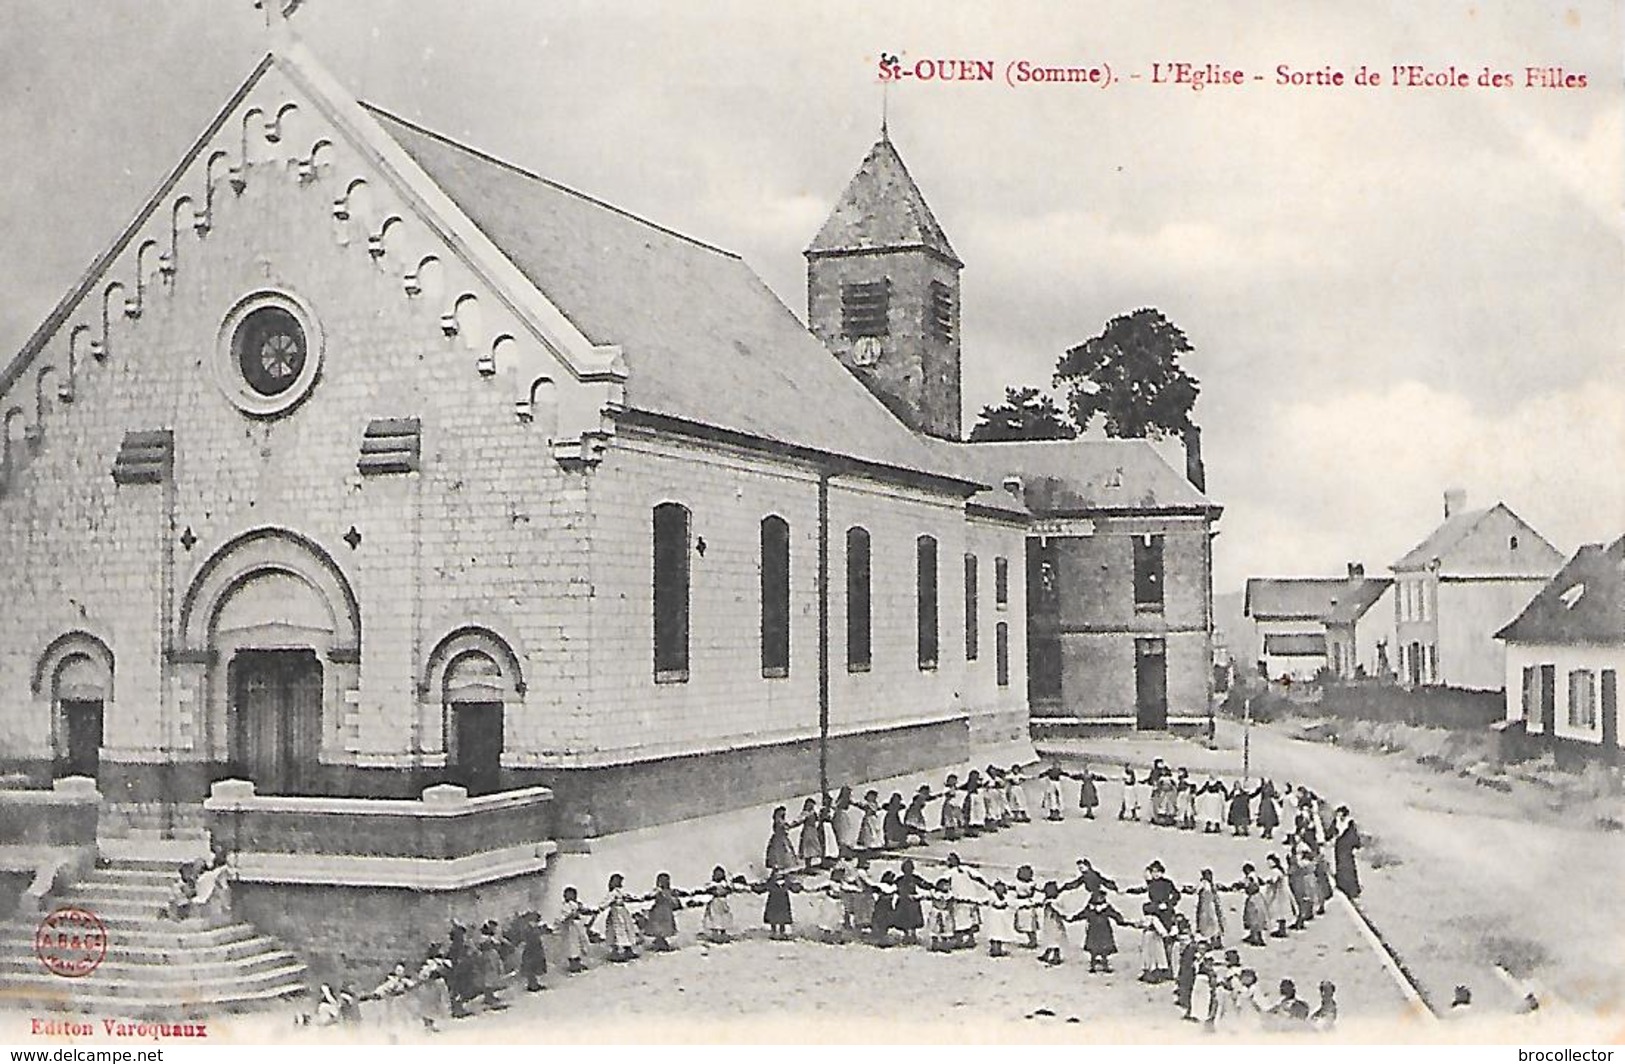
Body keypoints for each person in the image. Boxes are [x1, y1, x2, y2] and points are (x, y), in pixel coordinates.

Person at [1073, 889, 1128, 973]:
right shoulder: (1091, 908)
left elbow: (1114, 914)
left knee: (1104, 949)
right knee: (1093, 949)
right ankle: (1093, 964)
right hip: (1095, 930)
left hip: (1103, 930)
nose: (1101, 898)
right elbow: (1082, 914)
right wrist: (1074, 918)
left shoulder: (1105, 907)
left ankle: (1104, 964)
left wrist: (1120, 920)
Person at [892, 858, 928, 945]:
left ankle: (913, 935)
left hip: (912, 901)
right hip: (903, 901)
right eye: (906, 868)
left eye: (910, 868)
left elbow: (925, 884)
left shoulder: (915, 878)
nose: (908, 871)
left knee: (914, 918)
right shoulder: (899, 879)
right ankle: (906, 935)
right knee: (904, 919)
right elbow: (894, 888)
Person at [643, 872, 682, 952]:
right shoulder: (657, 891)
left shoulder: (670, 892)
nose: (663, 882)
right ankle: (659, 941)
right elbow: (650, 896)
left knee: (666, 927)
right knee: (656, 926)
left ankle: (662, 941)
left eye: (665, 880)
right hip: (657, 911)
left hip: (666, 911)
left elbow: (674, 902)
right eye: (661, 881)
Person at [556, 888, 592, 972]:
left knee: (580, 943)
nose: (571, 896)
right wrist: (570, 915)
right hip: (570, 928)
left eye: (572, 894)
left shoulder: (578, 904)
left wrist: (588, 911)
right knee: (572, 946)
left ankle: (578, 962)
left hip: (578, 927)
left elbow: (583, 910)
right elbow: (562, 918)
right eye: (568, 895)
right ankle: (573, 964)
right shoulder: (565, 907)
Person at [1138, 902, 1176, 983]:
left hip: (1146, 936)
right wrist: (1165, 935)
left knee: (1147, 954)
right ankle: (1155, 974)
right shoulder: (1154, 918)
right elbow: (1160, 928)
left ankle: (1148, 972)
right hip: (1154, 936)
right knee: (1156, 954)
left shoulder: (1144, 918)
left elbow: (1138, 924)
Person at [1035, 881, 1071, 966]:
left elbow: (1060, 911)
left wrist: (1064, 916)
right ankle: (1047, 954)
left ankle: (1056, 957)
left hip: (1055, 924)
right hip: (1049, 924)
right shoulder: (1049, 901)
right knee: (1050, 939)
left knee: (1055, 941)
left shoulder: (1054, 902)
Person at [1332, 806, 1362, 898]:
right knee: (1340, 866)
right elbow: (1331, 831)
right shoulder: (1336, 821)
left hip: (1347, 849)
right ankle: (1342, 885)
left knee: (1348, 868)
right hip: (1339, 847)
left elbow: (1353, 836)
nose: (1339, 816)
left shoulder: (1350, 823)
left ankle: (1352, 890)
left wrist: (1355, 845)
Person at [701, 866, 737, 943]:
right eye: (716, 874)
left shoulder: (725, 884)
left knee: (724, 919)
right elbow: (709, 891)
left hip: (723, 904)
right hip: (714, 904)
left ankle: (723, 933)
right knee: (714, 919)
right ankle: (715, 935)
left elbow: (729, 890)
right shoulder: (712, 885)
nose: (718, 876)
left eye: (720, 874)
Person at [515, 911, 548, 992]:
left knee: (535, 965)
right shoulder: (527, 927)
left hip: (535, 948)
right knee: (531, 966)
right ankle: (532, 984)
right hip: (531, 948)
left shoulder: (531, 927)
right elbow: (531, 936)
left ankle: (534, 983)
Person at [1262, 853, 1293, 938]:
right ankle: (1281, 929)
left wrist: (1266, 881)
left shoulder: (1275, 871)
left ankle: (1281, 931)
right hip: (1281, 892)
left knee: (1279, 911)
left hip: (1279, 894)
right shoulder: (1279, 870)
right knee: (1281, 911)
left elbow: (1273, 880)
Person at [1238, 863, 1269, 947]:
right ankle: (1257, 936)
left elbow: (1249, 886)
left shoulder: (1250, 878)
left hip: (1253, 899)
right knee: (1258, 917)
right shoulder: (1255, 876)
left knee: (1253, 918)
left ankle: (1255, 938)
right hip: (1258, 897)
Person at [984, 880, 1018, 957]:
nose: (1000, 890)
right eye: (998, 888)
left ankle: (998, 949)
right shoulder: (992, 896)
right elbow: (995, 904)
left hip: (1001, 919)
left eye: (1001, 888)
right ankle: (994, 949)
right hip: (994, 918)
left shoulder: (1006, 897)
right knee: (994, 934)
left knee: (1000, 934)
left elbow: (1011, 904)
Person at [1193, 867, 1226, 947]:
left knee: (1214, 924)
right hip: (1206, 907)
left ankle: (1215, 941)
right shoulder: (1204, 884)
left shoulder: (1210, 885)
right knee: (1210, 924)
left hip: (1211, 906)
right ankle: (1213, 941)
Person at [761, 869, 794, 939]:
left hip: (781, 902)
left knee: (782, 917)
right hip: (775, 901)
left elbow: (792, 887)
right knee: (773, 916)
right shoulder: (772, 882)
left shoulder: (785, 882)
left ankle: (781, 932)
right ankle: (774, 931)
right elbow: (764, 887)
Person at [925, 878, 956, 952]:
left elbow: (951, 904)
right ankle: (934, 945)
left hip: (945, 913)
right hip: (935, 913)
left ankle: (944, 945)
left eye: (947, 885)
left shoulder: (950, 895)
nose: (946, 886)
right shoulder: (935, 894)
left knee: (946, 929)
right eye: (944, 885)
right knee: (934, 929)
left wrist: (951, 910)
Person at [795, 797, 826, 869]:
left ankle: (813, 864)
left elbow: (818, 819)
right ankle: (808, 866)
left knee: (814, 847)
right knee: (808, 849)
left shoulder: (813, 812)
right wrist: (792, 825)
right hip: (807, 832)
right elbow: (799, 820)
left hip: (813, 831)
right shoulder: (805, 813)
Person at [765, 806, 796, 871]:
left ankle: (779, 870)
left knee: (779, 856)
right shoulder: (779, 821)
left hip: (781, 839)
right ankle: (777, 871)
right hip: (779, 840)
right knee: (778, 855)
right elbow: (784, 827)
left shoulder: (780, 821)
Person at [831, 785, 858, 857]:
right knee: (842, 834)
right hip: (840, 817)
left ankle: (845, 851)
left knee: (845, 834)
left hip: (843, 816)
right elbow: (835, 806)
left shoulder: (847, 800)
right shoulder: (842, 800)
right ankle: (844, 852)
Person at [939, 775, 964, 839]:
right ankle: (950, 835)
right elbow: (944, 793)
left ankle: (954, 833)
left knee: (954, 819)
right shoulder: (947, 789)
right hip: (949, 805)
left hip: (954, 804)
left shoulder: (954, 788)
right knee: (949, 820)